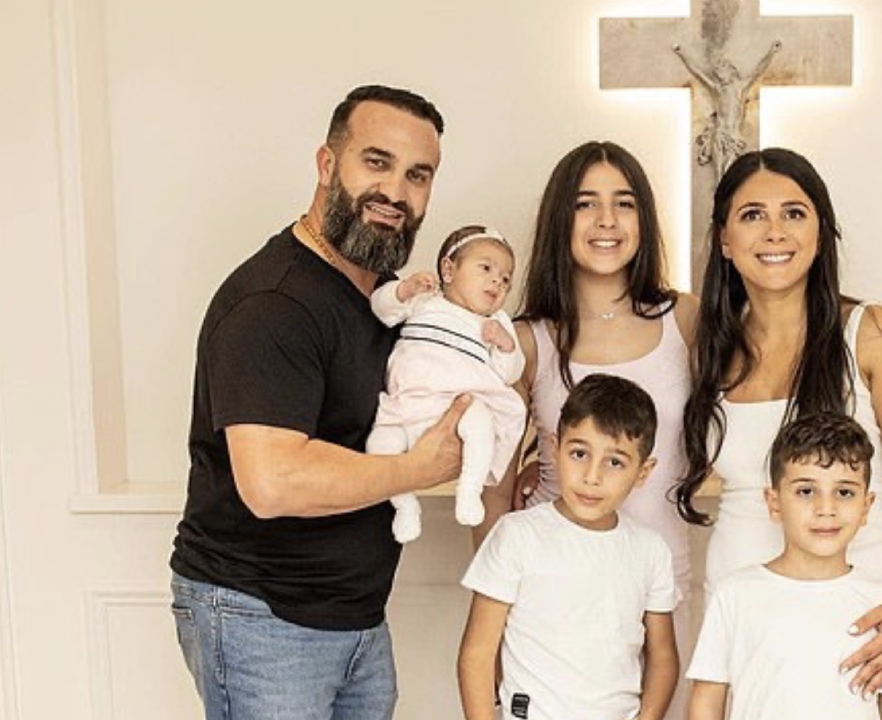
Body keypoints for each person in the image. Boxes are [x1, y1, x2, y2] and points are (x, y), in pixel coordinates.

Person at [168, 85, 470, 720]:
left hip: (354, 617)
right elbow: (272, 482)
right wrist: (417, 469)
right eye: (377, 162)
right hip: (260, 618)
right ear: (328, 164)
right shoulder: (274, 303)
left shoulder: (386, 299)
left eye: (418, 175)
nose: (395, 192)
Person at [677, 147, 882, 706]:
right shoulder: (710, 347)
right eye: (753, 215)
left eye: (794, 213)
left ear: (820, 234)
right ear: (724, 239)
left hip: (856, 613)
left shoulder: (872, 333)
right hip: (743, 613)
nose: (774, 232)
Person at [481, 140, 699, 718]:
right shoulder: (525, 339)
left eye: (624, 203)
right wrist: (495, 611)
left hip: (659, 588)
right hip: (548, 604)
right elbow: (495, 489)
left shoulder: (685, 318)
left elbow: (753, 405)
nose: (606, 220)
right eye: (585, 204)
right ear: (561, 218)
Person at [457, 374, 680, 720]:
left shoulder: (650, 551)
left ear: (643, 471)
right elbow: (477, 655)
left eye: (615, 462)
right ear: (554, 448)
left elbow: (663, 656)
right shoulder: (517, 535)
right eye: (579, 453)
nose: (592, 476)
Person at [686, 412, 882, 720]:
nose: (826, 508)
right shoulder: (735, 594)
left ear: (866, 507)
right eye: (806, 491)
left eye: (844, 492)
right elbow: (706, 702)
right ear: (774, 503)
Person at [367, 225, 524, 537]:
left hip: (458, 405)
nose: (498, 281)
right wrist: (403, 290)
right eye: (486, 268)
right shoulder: (424, 300)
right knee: (379, 445)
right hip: (407, 406)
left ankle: (470, 489)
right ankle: (405, 506)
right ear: (449, 270)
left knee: (481, 423)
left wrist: (506, 345)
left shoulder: (495, 322)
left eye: (506, 278)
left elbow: (510, 372)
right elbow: (381, 309)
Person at [673, 41, 782, 178]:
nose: (718, 74)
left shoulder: (740, 88)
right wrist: (682, 53)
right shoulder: (717, 89)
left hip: (733, 136)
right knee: (719, 175)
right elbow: (697, 72)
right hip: (719, 135)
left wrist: (772, 52)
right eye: (717, 72)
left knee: (729, 174)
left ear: (730, 71)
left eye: (721, 69)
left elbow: (758, 70)